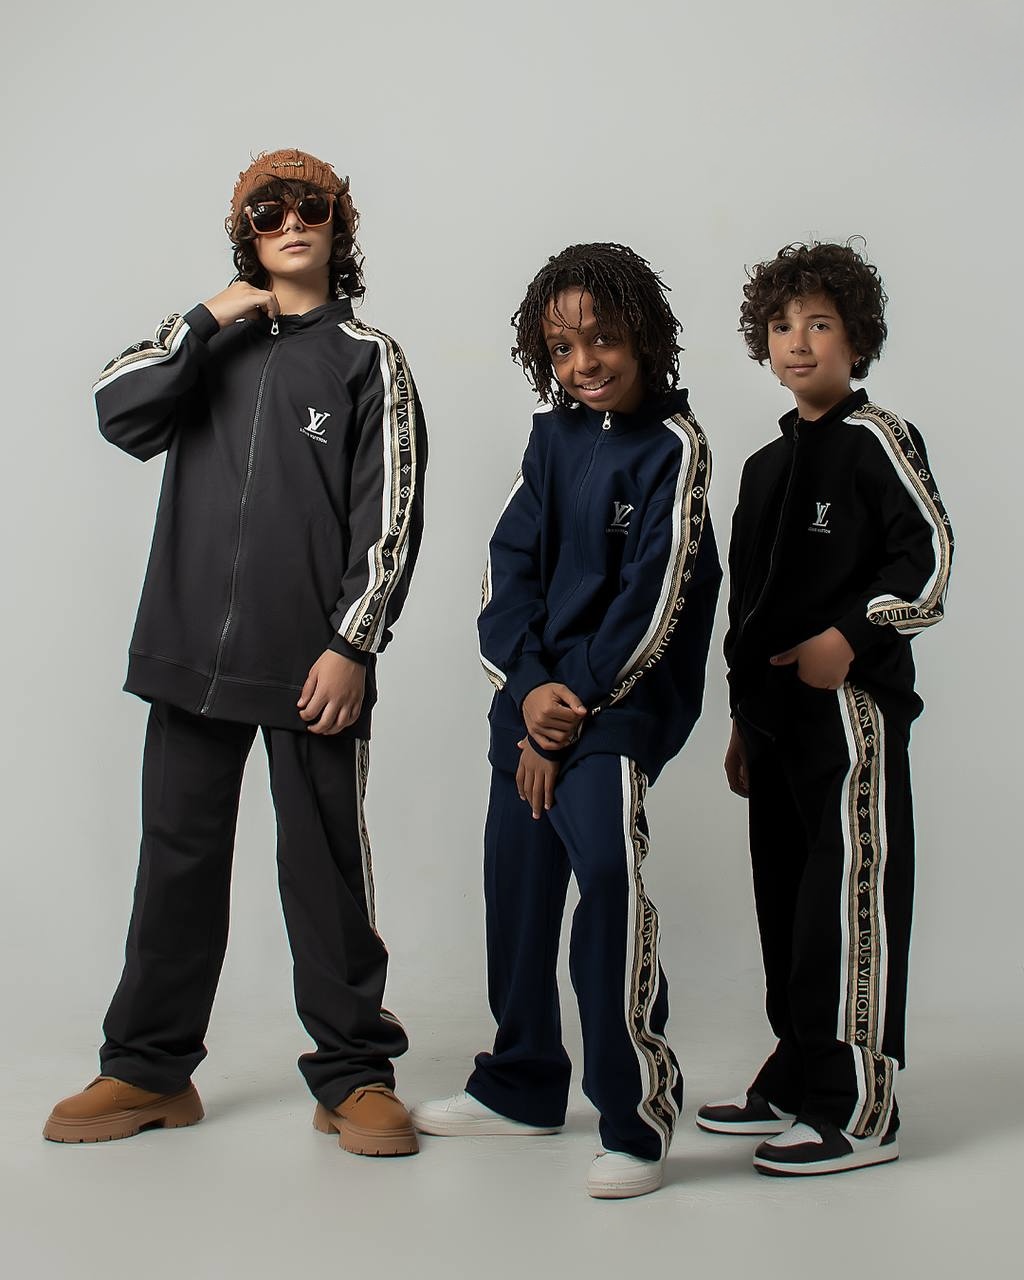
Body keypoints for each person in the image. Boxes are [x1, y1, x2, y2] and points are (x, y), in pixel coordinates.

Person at [43, 149, 427, 1157]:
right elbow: (117, 409)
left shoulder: (367, 357)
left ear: (339, 225)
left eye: (312, 206)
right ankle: (148, 1069)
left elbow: (389, 517)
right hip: (187, 654)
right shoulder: (207, 347)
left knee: (324, 871)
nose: (291, 221)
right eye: (268, 210)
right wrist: (207, 318)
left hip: (310, 668)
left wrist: (352, 643)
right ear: (245, 231)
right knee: (175, 863)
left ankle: (353, 1073)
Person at [412, 243, 721, 1199]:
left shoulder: (675, 449)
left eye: (604, 339)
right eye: (561, 347)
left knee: (608, 885)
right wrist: (528, 691)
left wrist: (567, 712)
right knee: (518, 881)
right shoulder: (550, 441)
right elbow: (507, 571)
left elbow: (656, 603)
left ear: (646, 337)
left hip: (616, 711)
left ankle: (635, 1117)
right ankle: (521, 1084)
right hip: (531, 702)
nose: (584, 362)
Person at [697, 241, 953, 1176]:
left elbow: (928, 558)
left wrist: (850, 636)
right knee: (787, 901)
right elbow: (747, 606)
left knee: (848, 901)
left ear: (856, 339)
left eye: (819, 324)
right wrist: (741, 718)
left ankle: (859, 1107)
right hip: (774, 725)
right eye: (781, 325)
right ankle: (800, 1068)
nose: (798, 342)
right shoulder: (765, 466)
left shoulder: (879, 438)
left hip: (851, 717)